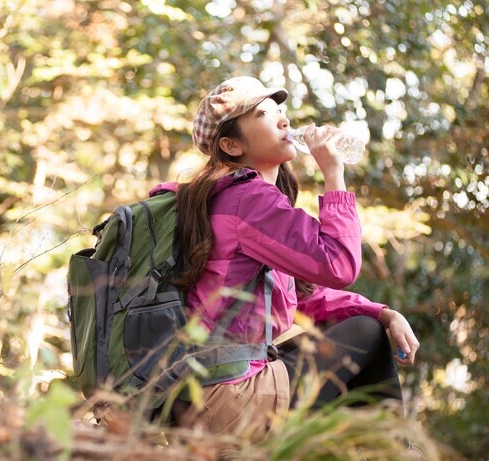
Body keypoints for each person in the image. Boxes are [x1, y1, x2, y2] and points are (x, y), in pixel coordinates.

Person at [149, 76, 420, 440]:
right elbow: (339, 266)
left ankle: (376, 448)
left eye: (280, 110)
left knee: (359, 325)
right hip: (228, 399)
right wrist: (334, 174)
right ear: (230, 145)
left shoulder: (224, 198)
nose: (283, 120)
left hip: (198, 395)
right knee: (365, 335)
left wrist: (382, 311)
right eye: (262, 113)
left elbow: (298, 299)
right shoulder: (247, 200)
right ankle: (395, 450)